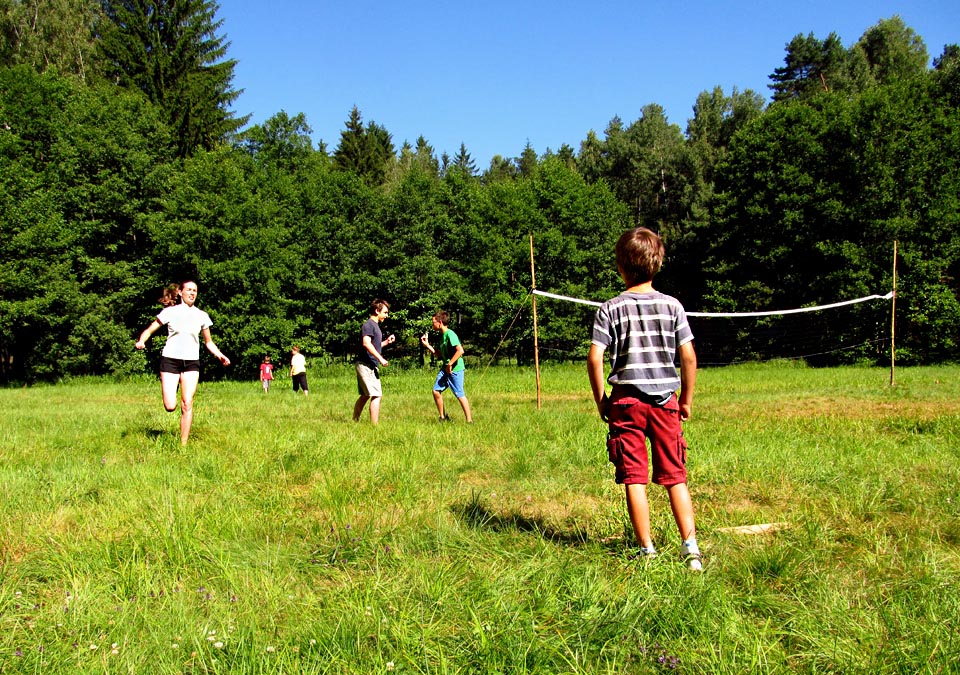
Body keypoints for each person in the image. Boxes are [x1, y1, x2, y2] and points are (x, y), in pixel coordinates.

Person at [586, 227, 702, 570]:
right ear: (658, 264)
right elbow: (689, 357)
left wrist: (601, 400)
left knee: (634, 477)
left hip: (625, 403)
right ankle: (691, 548)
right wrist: (686, 400)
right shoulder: (673, 306)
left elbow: (594, 358)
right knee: (675, 475)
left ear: (621, 266)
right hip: (666, 401)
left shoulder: (610, 309)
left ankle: (646, 550)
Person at [135, 280, 230, 446]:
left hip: (192, 362)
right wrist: (141, 341)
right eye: (189, 290)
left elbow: (208, 342)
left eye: (195, 291)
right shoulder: (170, 312)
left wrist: (220, 355)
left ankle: (183, 445)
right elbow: (150, 329)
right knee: (170, 405)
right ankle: (170, 386)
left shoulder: (202, 315)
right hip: (170, 360)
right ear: (180, 292)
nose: (192, 293)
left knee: (187, 403)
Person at [420, 311, 473, 423]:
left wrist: (450, 364)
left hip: (456, 369)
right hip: (445, 369)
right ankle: (443, 417)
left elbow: (460, 351)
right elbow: (439, 355)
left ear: (440, 322)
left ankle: (469, 421)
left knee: (459, 394)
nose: (432, 324)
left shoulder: (450, 334)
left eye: (433, 322)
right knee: (436, 391)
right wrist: (427, 345)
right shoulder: (442, 336)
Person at [352, 299, 396, 424]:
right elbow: (366, 344)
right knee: (376, 394)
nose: (387, 315)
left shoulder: (375, 326)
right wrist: (380, 358)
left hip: (368, 364)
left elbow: (374, 346)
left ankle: (354, 421)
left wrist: (386, 342)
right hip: (366, 364)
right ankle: (374, 426)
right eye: (385, 312)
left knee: (366, 395)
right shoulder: (369, 325)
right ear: (377, 311)